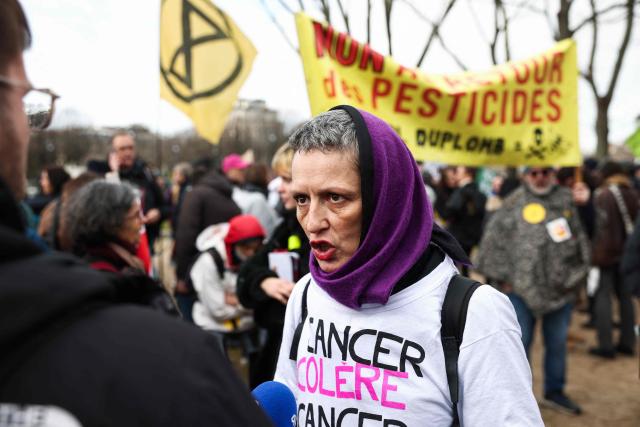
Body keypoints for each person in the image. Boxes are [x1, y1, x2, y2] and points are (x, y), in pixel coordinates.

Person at [0, 2, 272, 424]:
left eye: (131, 148)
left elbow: (166, 209)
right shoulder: (166, 356)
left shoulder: (146, 177)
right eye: (29, 102)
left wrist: (154, 212)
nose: (128, 153)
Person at [274, 107, 542, 425]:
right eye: (302, 199)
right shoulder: (306, 293)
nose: (313, 223)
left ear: (387, 200)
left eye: (335, 198)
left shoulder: (474, 314)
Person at [476, 166, 590, 415]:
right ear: (527, 175)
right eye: (534, 173)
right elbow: (493, 241)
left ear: (553, 174)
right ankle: (516, 398)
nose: (540, 178)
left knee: (557, 343)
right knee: (518, 344)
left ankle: (555, 392)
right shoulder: (513, 201)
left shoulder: (567, 200)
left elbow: (588, 233)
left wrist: (586, 205)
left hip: (560, 291)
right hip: (519, 290)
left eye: (545, 172)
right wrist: (501, 279)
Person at [237, 143, 311, 389]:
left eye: (287, 180)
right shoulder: (287, 225)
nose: (279, 188)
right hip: (276, 351)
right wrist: (265, 280)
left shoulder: (316, 232)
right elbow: (247, 273)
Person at [173, 167, 241, 322]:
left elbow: (186, 235)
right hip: (225, 273)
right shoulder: (228, 197)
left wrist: (181, 276)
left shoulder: (196, 195)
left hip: (197, 274)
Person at [589, 161, 638, 358]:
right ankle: (628, 342)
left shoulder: (603, 195)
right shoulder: (632, 193)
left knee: (603, 298)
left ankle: (606, 344)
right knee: (626, 299)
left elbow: (600, 227)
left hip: (605, 254)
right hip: (627, 253)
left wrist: (595, 254)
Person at [190, 214, 264, 335]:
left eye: (255, 248)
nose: (251, 253)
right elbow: (218, 311)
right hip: (213, 329)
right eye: (246, 247)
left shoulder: (251, 257)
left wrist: (236, 300)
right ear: (233, 245)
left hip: (247, 327)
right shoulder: (208, 262)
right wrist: (249, 304)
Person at [106, 131, 165, 252]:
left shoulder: (146, 174)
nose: (128, 153)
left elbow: (165, 206)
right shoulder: (102, 174)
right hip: (116, 247)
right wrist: (113, 174)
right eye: (122, 149)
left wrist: (158, 213)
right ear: (113, 152)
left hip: (145, 244)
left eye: (130, 148)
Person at [222, 153, 278, 237]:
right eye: (240, 169)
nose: (244, 172)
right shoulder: (227, 192)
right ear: (231, 171)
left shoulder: (239, 189)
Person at [443, 166, 487, 259]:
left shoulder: (462, 192)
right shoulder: (480, 194)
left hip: (457, 237)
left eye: (458, 171)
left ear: (468, 173)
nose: (455, 174)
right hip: (471, 237)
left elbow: (450, 210)